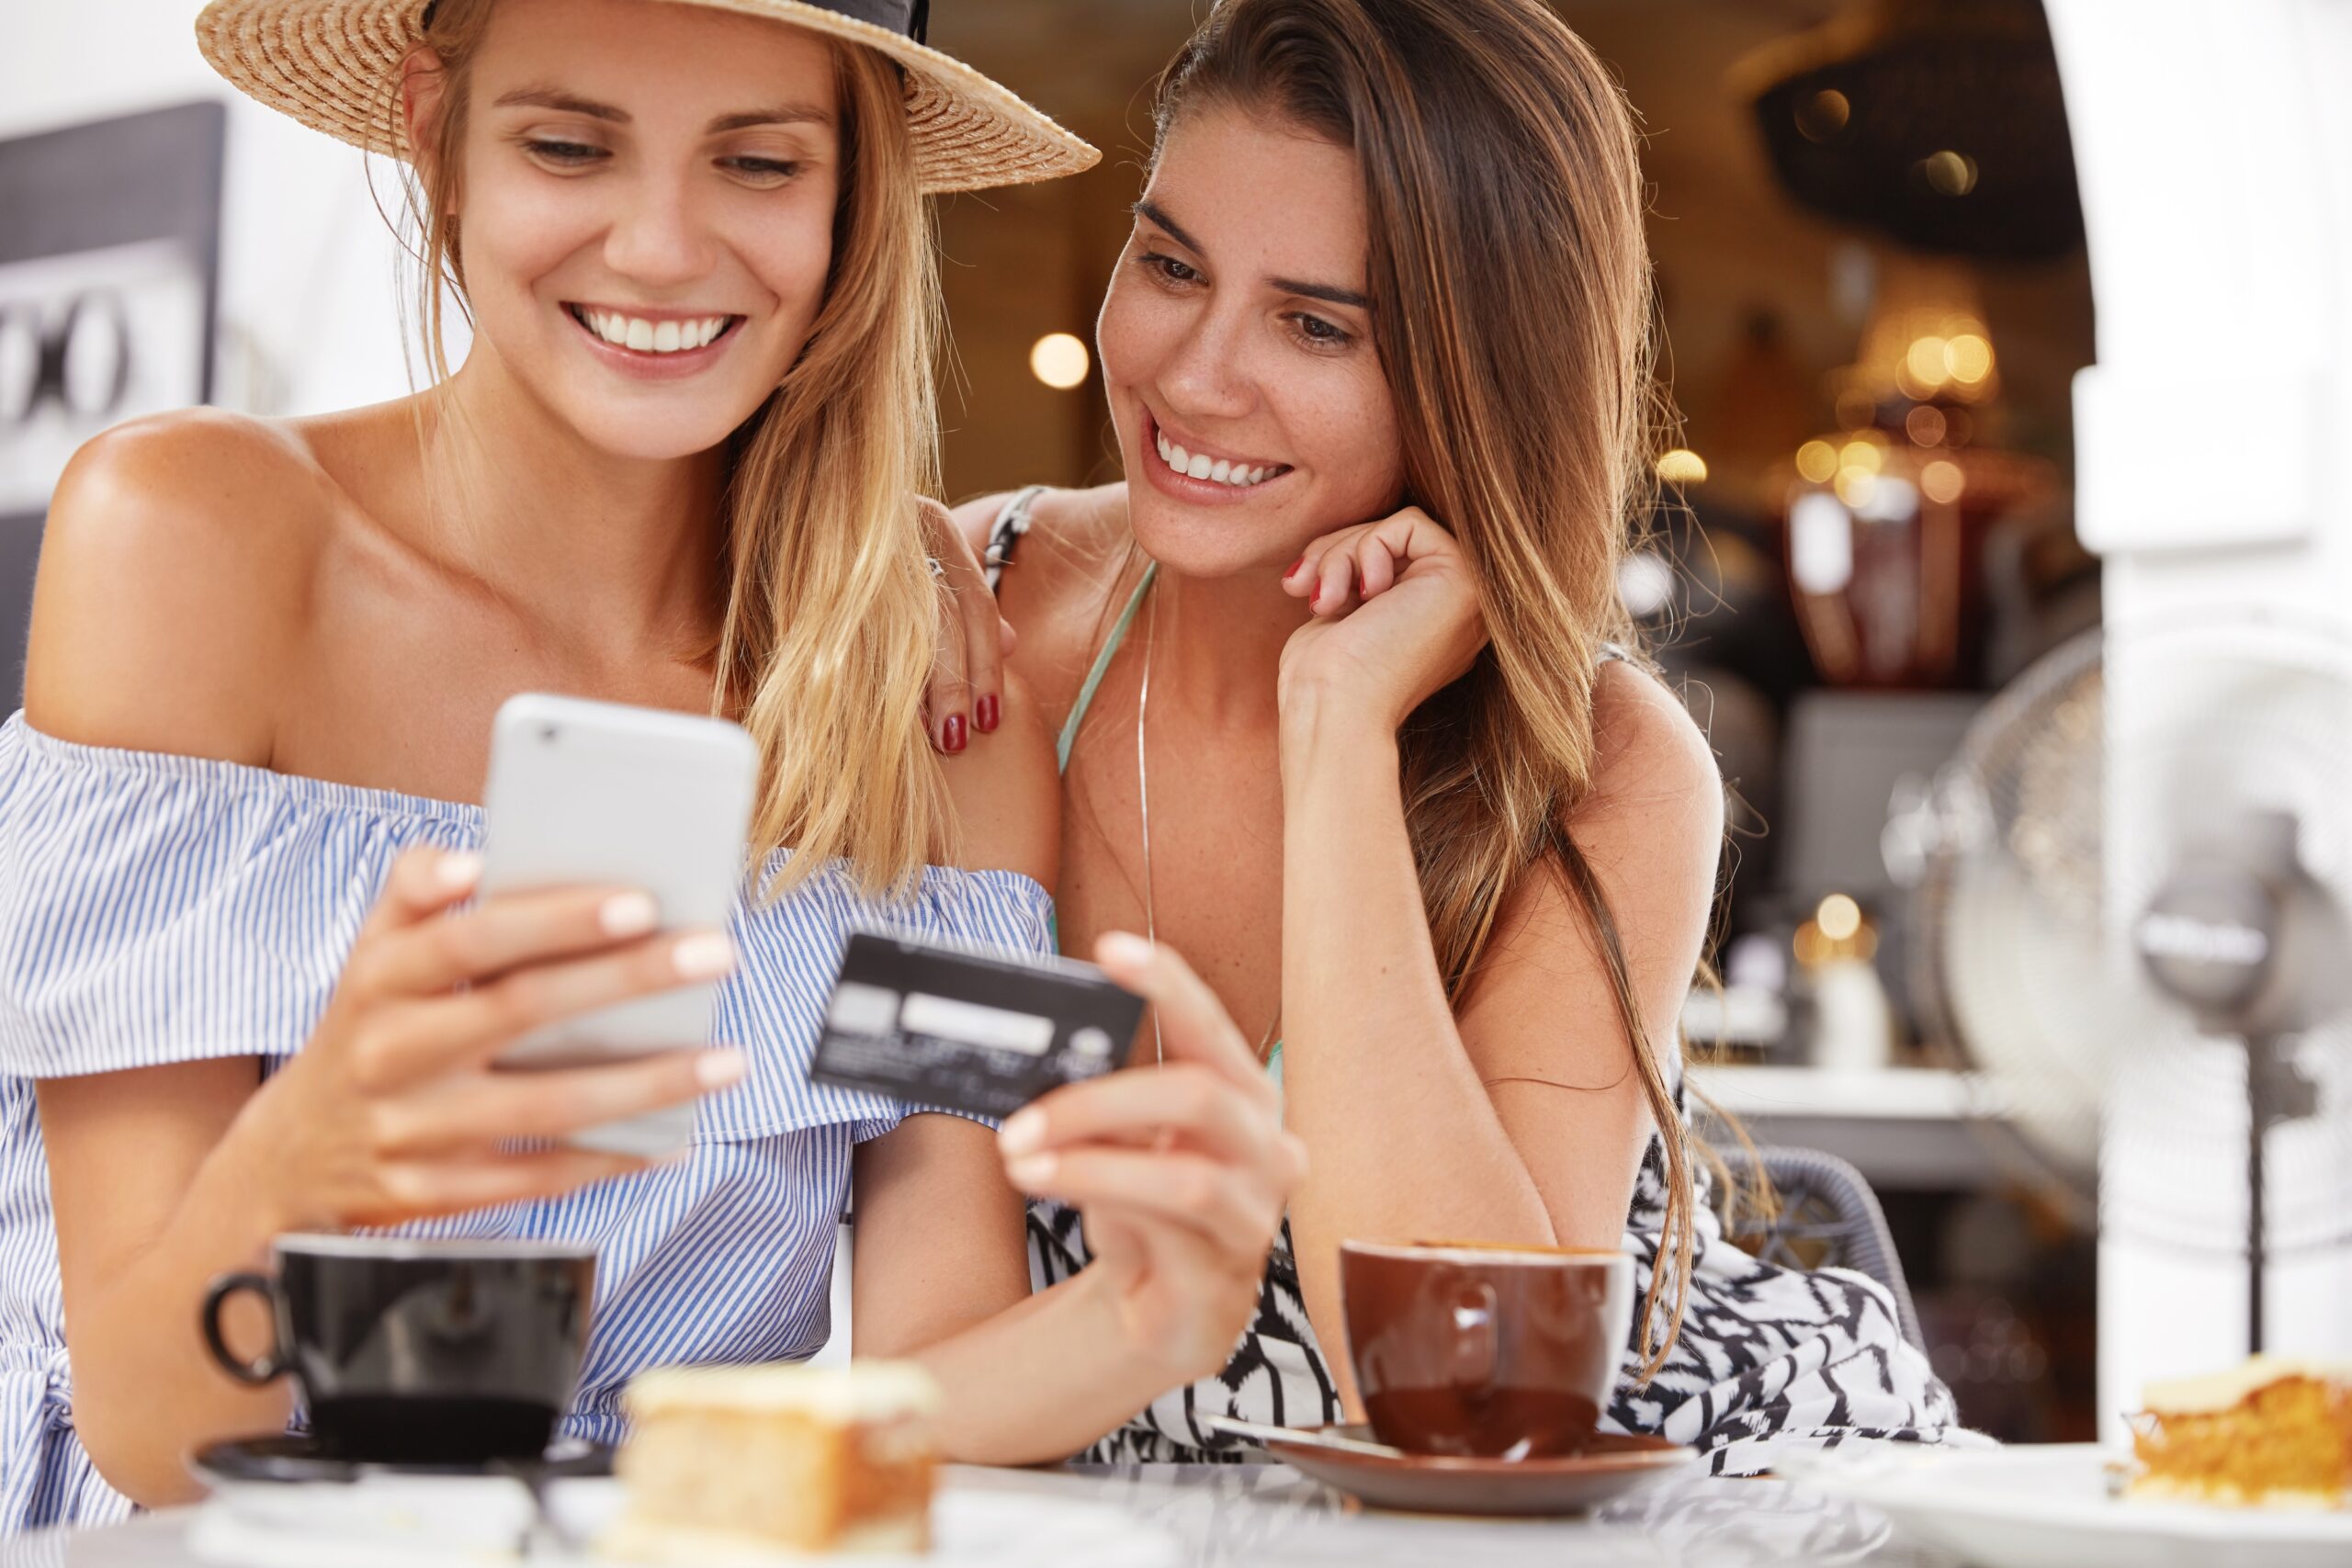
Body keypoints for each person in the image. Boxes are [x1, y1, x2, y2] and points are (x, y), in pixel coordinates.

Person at [0, 0, 1300, 1531]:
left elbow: (928, 1375)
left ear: (849, 201)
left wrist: (1150, 1317)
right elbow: (158, 1435)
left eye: (756, 164)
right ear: (437, 134)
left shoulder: (927, 711)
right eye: (568, 146)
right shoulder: (193, 542)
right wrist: (299, 1159)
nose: (665, 249)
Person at [955, 0, 1971, 1473]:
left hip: (1634, 1501)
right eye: (1170, 264)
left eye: (1315, 323)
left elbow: (1488, 1396)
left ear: (1473, 375)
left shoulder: (1601, 762)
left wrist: (1341, 729)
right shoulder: (967, 624)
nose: (1193, 372)